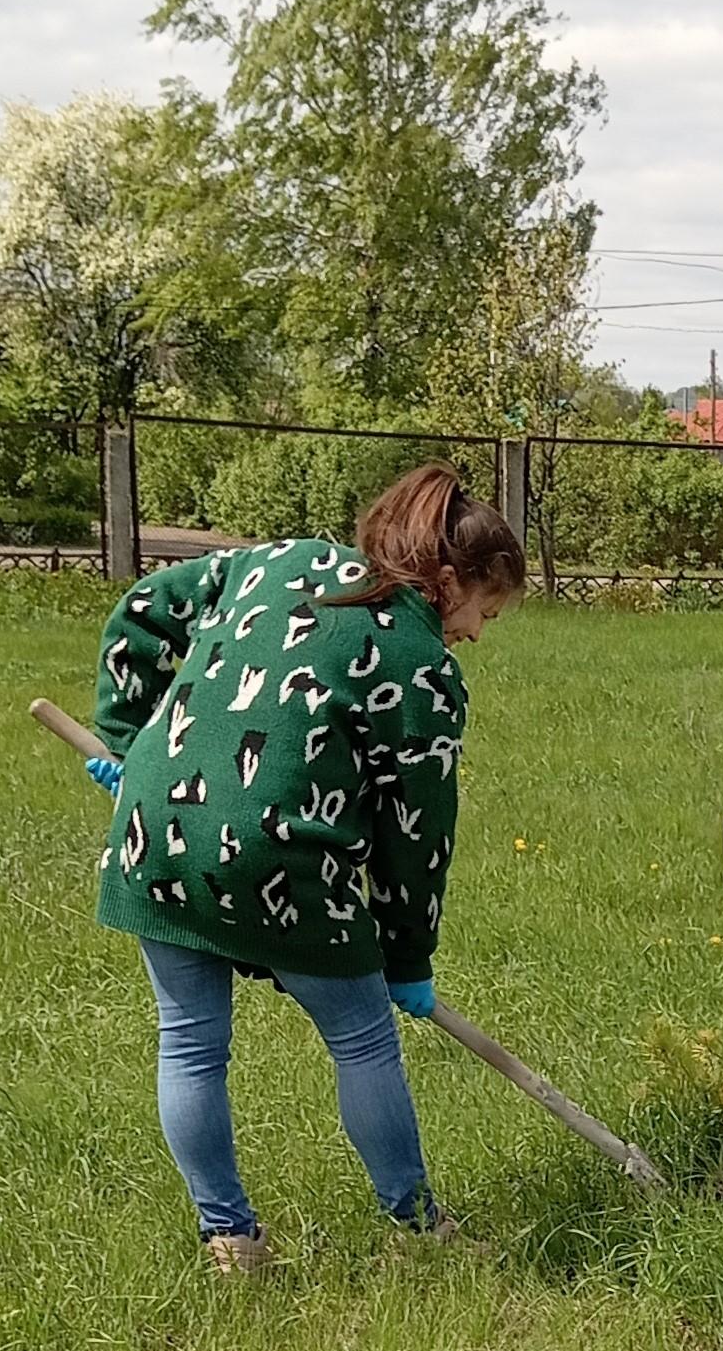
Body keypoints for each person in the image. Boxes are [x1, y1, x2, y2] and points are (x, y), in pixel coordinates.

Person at [83, 462, 524, 1270]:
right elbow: (415, 835)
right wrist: (407, 956)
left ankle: (230, 1239)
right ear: (449, 580)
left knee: (188, 1043)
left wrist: (130, 742)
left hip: (156, 835)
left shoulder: (282, 561)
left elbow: (142, 611)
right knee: (362, 1040)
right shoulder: (422, 667)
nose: (476, 634)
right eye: (482, 612)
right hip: (280, 860)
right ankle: (422, 1230)